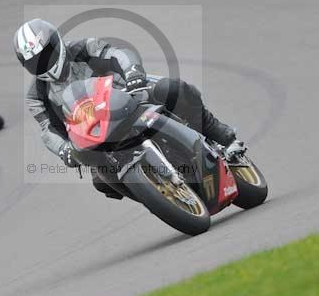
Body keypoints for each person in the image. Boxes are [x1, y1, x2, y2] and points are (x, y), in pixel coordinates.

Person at [14, 19, 246, 197]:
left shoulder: (82, 48)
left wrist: (133, 71)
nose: (43, 63)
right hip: (94, 133)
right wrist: (63, 149)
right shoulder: (36, 95)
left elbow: (117, 54)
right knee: (101, 181)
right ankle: (158, 195)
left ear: (58, 43)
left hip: (129, 95)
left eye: (47, 54)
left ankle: (223, 138)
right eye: (34, 62)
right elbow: (47, 130)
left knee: (174, 90)